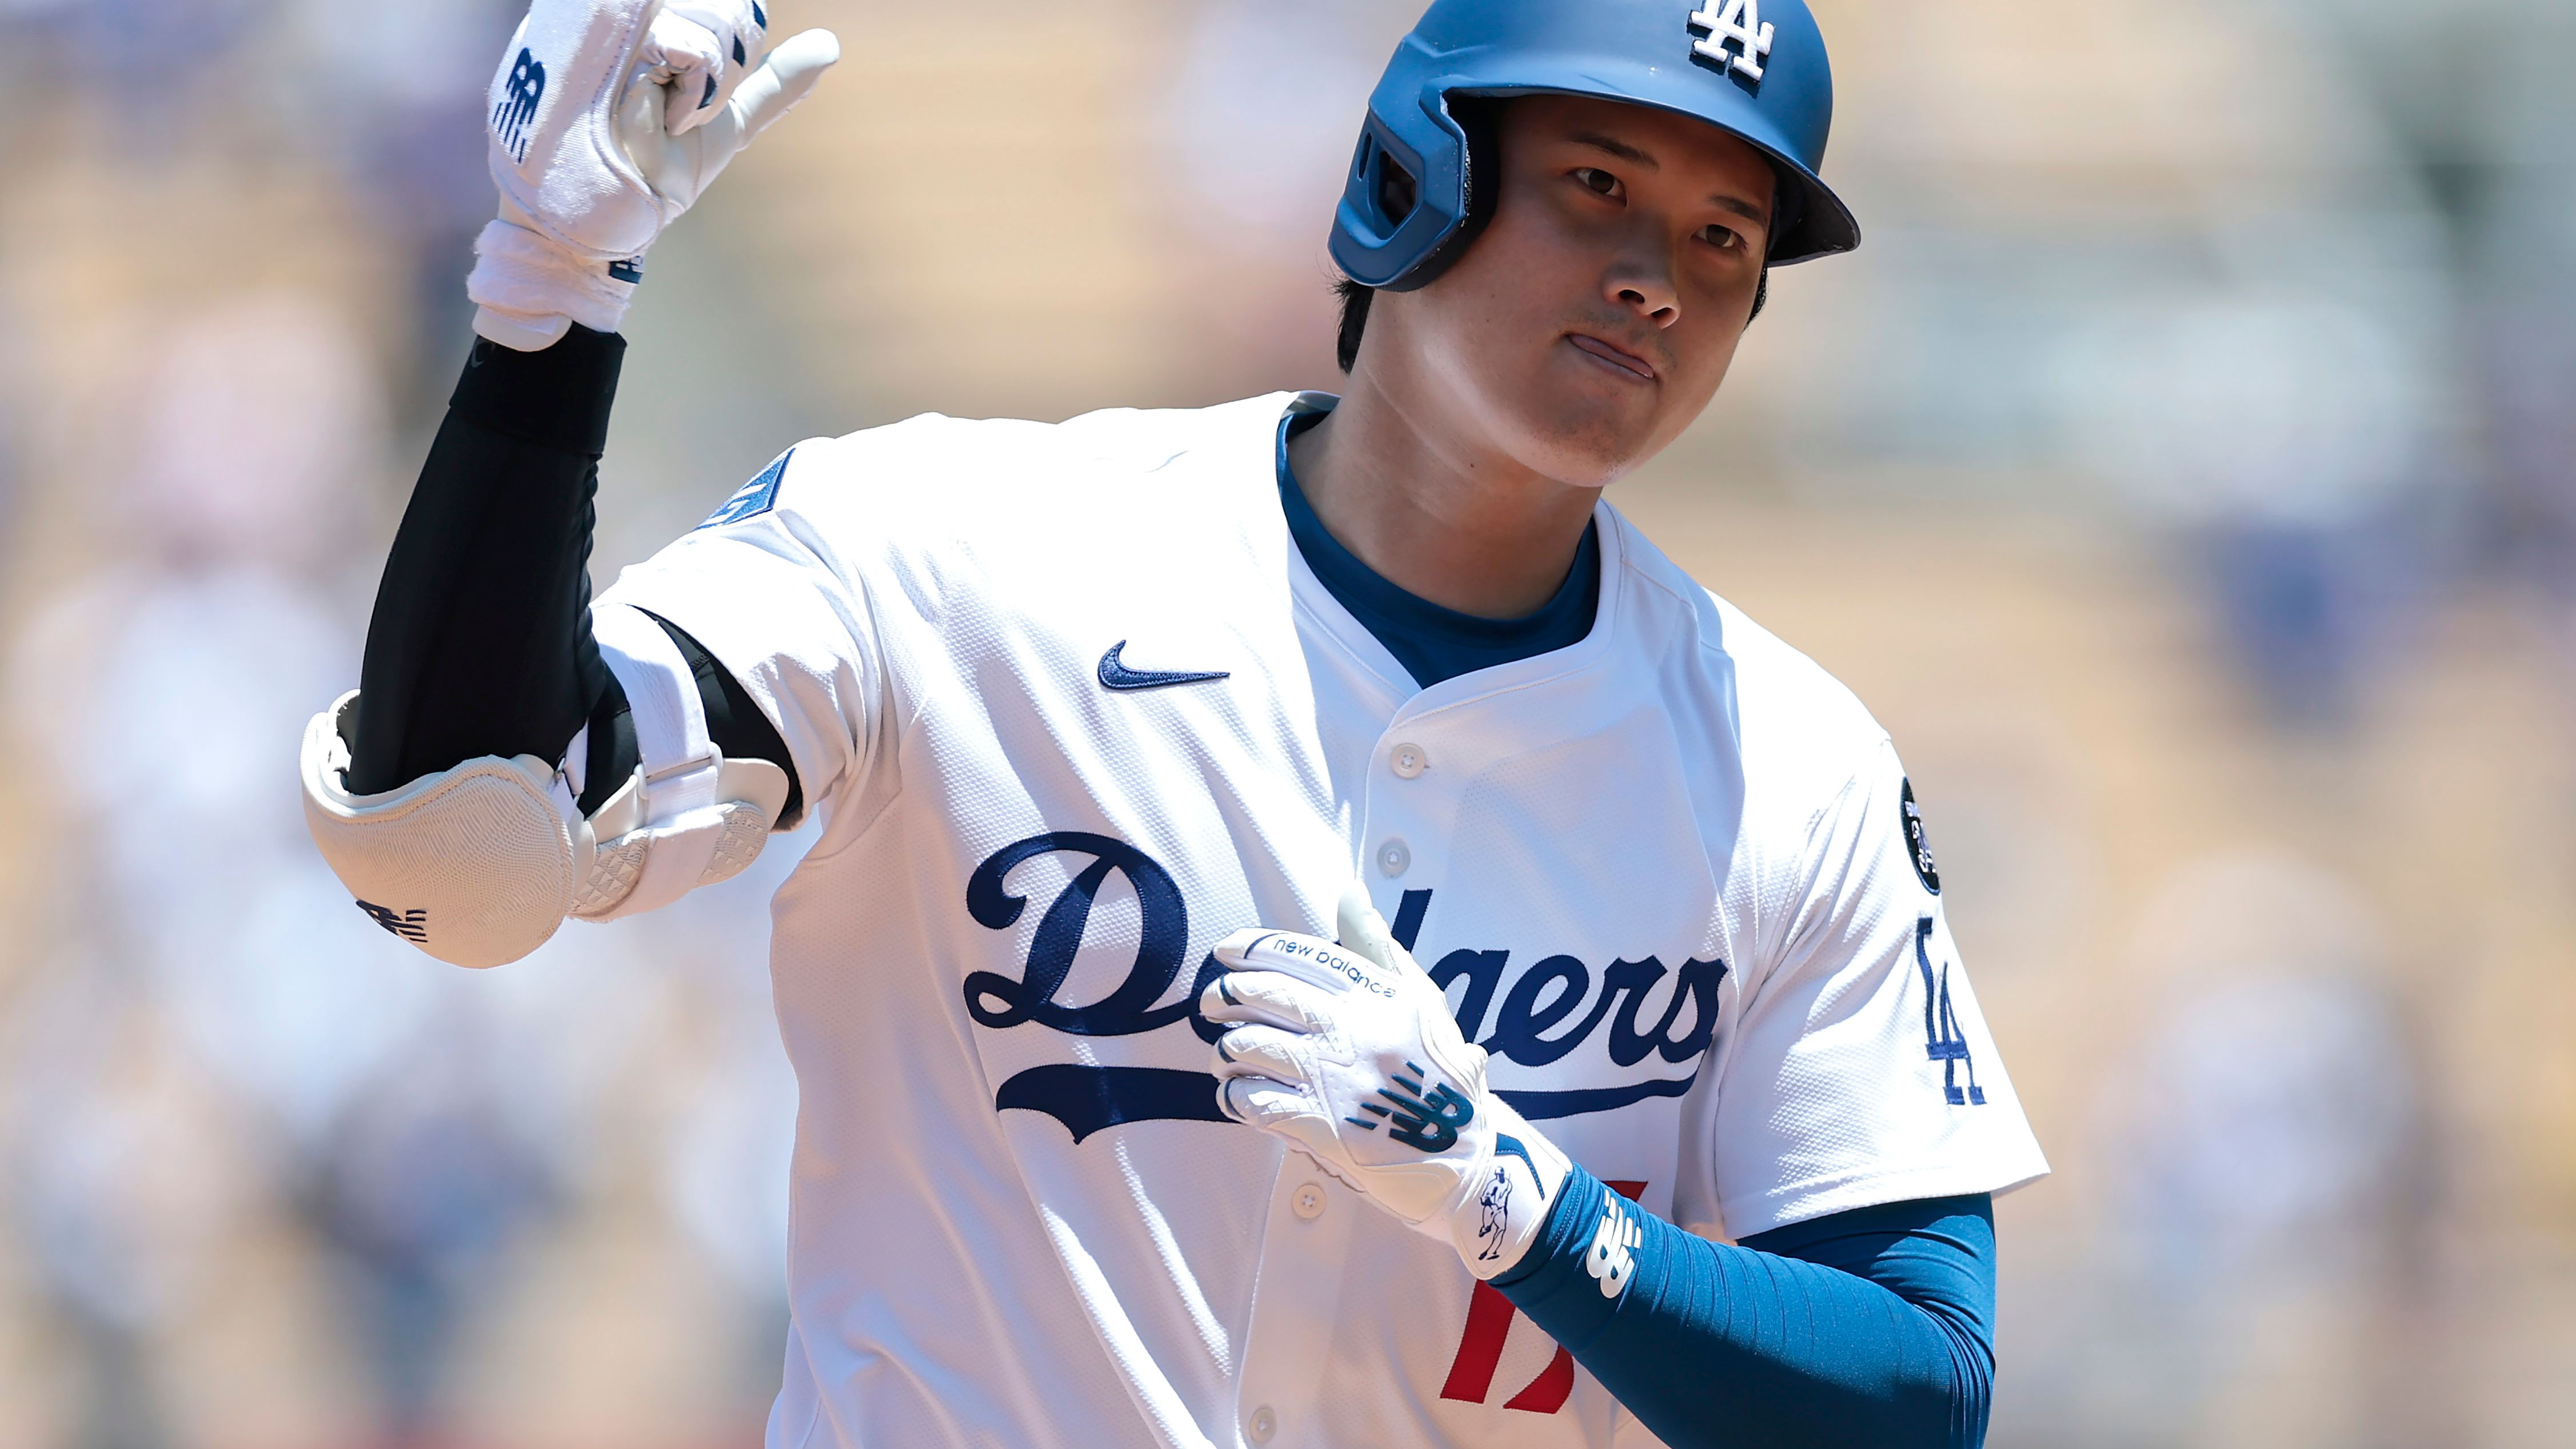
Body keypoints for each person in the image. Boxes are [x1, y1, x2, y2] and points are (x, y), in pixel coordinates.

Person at [298, 1, 2050, 1444]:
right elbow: (463, 853)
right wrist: (550, 299)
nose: (1655, 275)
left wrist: (1515, 1199)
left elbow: (1913, 1401)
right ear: (1405, 183)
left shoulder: (1787, 767)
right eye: (1596, 184)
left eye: (1721, 236)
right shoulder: (954, 555)